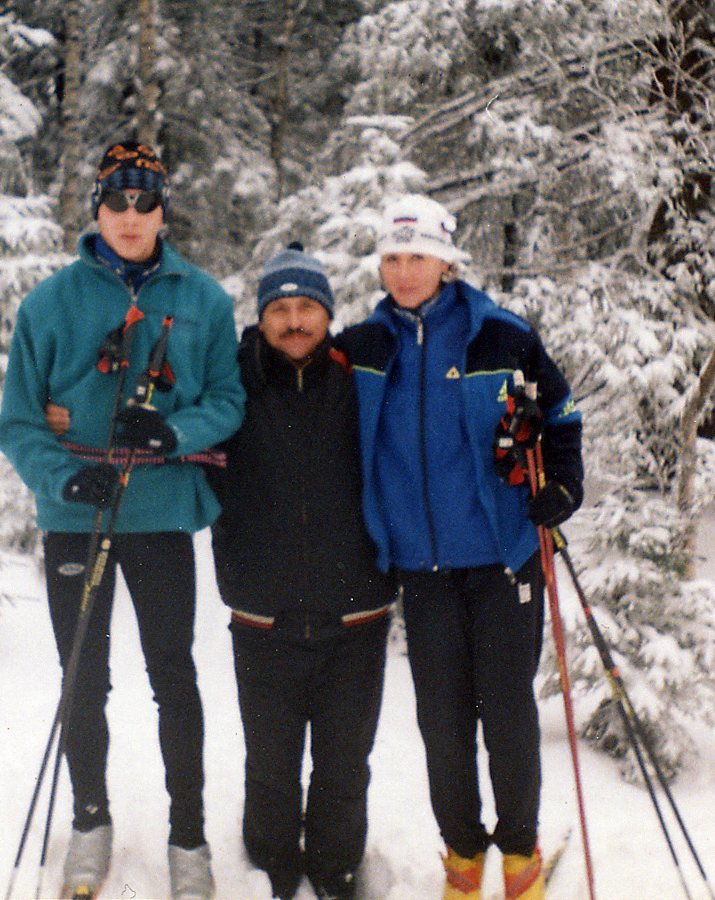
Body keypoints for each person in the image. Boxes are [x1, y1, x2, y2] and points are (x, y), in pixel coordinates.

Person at [0, 140, 245, 900]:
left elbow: (229, 401)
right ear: (96, 210)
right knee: (84, 676)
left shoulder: (203, 299)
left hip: (162, 511)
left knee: (174, 675)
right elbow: (16, 423)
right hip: (77, 516)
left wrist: (175, 433)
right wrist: (66, 479)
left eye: (145, 203)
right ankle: (91, 823)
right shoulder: (49, 304)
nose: (130, 218)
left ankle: (188, 836)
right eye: (116, 203)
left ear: (163, 209)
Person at [336, 196, 584, 900]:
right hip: (421, 568)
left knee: (507, 716)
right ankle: (463, 857)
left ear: (447, 260)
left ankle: (521, 856)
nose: (404, 270)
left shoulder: (500, 337)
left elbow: (561, 414)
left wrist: (562, 485)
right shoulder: (363, 348)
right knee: (442, 725)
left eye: (417, 256)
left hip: (505, 558)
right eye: (391, 257)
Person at [210, 246, 395, 900]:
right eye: (280, 309)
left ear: (327, 313)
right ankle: (268, 868)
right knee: (271, 767)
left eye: (307, 308)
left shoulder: (361, 378)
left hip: (357, 616)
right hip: (264, 616)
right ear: (260, 318)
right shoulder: (231, 384)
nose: (294, 322)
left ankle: (337, 869)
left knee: (345, 767)